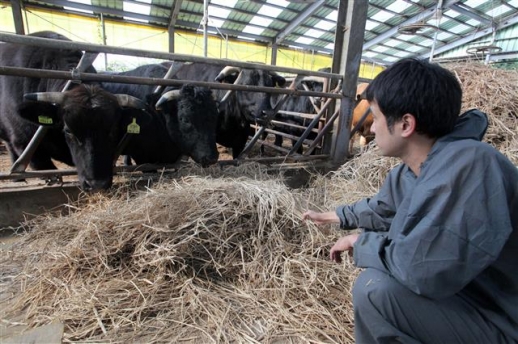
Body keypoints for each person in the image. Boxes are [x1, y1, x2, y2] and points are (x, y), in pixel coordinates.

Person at [303, 58, 518, 343]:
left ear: (405, 124)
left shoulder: (472, 165)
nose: (370, 128)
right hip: (467, 297)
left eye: (376, 117)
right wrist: (333, 216)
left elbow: (424, 268)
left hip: (501, 316)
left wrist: (361, 243)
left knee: (375, 290)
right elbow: (383, 210)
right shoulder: (412, 171)